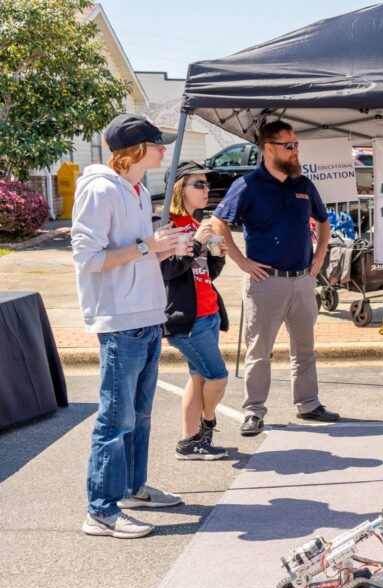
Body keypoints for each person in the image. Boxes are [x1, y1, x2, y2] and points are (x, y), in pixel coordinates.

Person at [71, 113, 185, 539]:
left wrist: (167, 248)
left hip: (146, 316)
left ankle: (133, 490)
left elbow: (138, 255)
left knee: (139, 416)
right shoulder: (101, 189)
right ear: (136, 150)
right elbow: (88, 258)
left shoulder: (135, 190)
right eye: (157, 144)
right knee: (116, 420)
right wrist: (147, 246)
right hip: (121, 321)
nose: (163, 151)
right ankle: (101, 510)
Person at [210, 120, 340, 436]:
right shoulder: (247, 185)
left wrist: (319, 257)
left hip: (303, 281)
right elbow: (218, 222)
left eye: (296, 145)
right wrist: (241, 261)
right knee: (259, 351)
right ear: (269, 148)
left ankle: (308, 404)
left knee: (305, 349)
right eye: (289, 145)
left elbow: (323, 221)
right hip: (265, 282)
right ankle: (254, 411)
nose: (295, 151)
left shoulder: (303, 184)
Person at [162, 161, 230, 459]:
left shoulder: (193, 223)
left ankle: (189, 442)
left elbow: (205, 274)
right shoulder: (167, 225)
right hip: (188, 320)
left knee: (199, 378)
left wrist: (217, 256)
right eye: (199, 184)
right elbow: (167, 272)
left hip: (209, 313)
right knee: (218, 377)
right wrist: (199, 245)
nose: (206, 189)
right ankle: (207, 423)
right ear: (180, 188)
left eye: (207, 184)